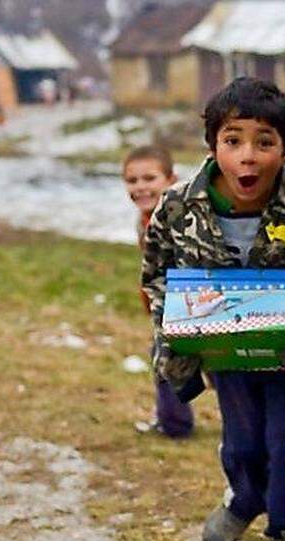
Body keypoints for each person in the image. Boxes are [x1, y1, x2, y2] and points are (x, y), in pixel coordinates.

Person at [141, 77, 285, 541]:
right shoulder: (179, 207)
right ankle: (245, 499)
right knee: (243, 440)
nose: (248, 157)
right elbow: (156, 272)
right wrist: (176, 328)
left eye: (264, 142)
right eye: (233, 140)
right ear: (213, 145)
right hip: (222, 352)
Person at [122, 145, 193, 439]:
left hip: (188, 304)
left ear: (170, 179)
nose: (141, 187)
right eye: (132, 181)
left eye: (149, 179)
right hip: (162, 306)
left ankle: (175, 424)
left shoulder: (178, 219)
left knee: (172, 362)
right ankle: (173, 421)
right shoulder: (143, 221)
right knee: (164, 361)